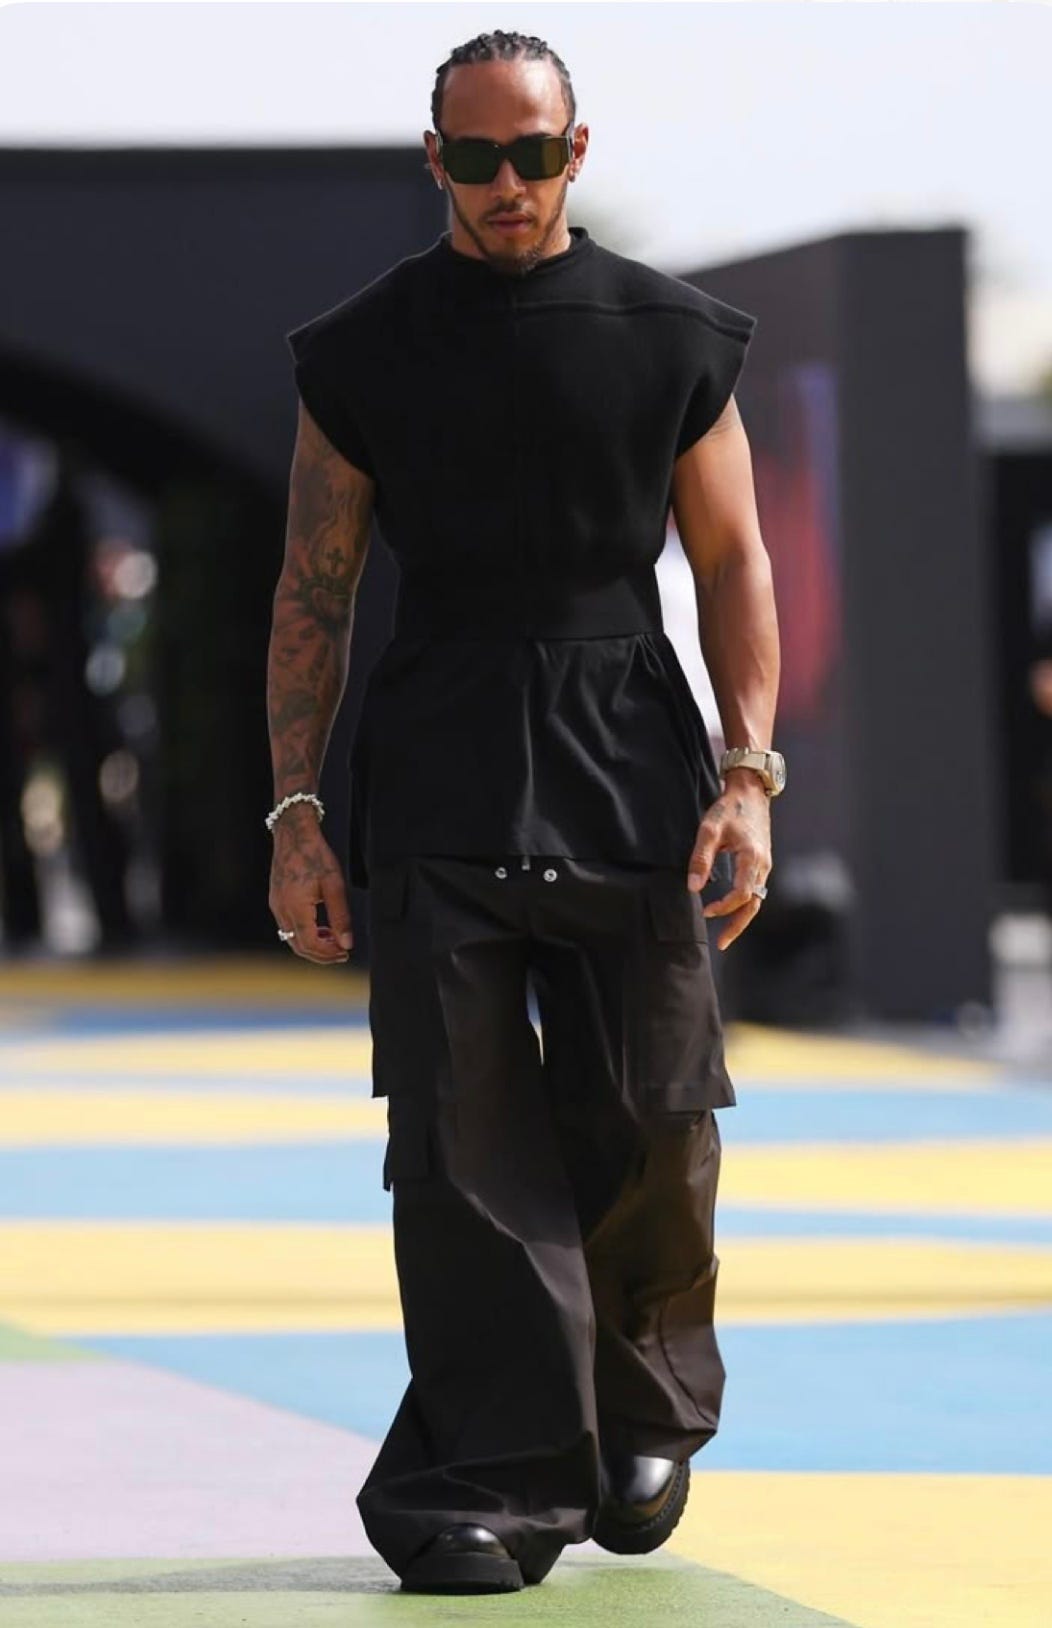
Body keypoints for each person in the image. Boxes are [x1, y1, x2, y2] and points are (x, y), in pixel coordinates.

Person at [265, 29, 782, 1596]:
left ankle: (644, 1410)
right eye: (479, 157)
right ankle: (487, 1478)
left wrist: (749, 775)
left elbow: (733, 564)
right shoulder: (362, 349)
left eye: (535, 154)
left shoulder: (671, 334)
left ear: (577, 150)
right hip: (439, 759)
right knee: (461, 1140)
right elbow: (314, 590)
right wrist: (297, 808)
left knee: (655, 1113)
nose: (509, 183)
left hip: (632, 754)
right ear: (435, 159)